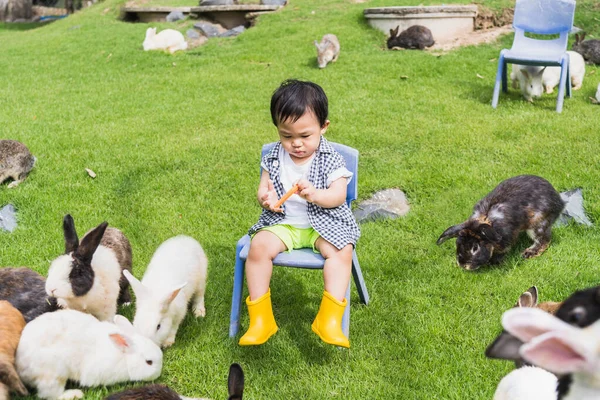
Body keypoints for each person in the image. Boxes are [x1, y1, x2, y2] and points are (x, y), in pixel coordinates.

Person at [239, 79, 360, 348]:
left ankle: (329, 319)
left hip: (325, 223)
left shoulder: (331, 158)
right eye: (286, 135)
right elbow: (263, 190)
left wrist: (316, 194)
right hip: (284, 222)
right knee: (258, 248)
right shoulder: (272, 156)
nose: (296, 144)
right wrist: (266, 199)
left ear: (323, 127)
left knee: (342, 251)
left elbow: (339, 195)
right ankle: (261, 320)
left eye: (305, 136)